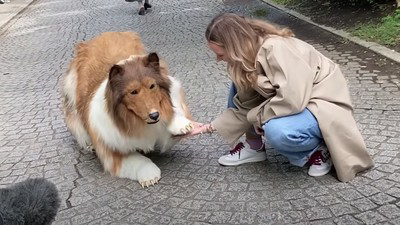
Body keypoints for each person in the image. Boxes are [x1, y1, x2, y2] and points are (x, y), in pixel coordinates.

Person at [187, 13, 374, 182]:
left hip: (321, 102)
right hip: (297, 101)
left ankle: (318, 150)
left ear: (235, 46)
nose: (219, 59)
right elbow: (244, 106)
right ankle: (254, 148)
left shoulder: (276, 48)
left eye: (221, 53)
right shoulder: (244, 59)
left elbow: (293, 99)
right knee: (238, 85)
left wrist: (259, 117)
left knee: (277, 131)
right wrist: (206, 128)